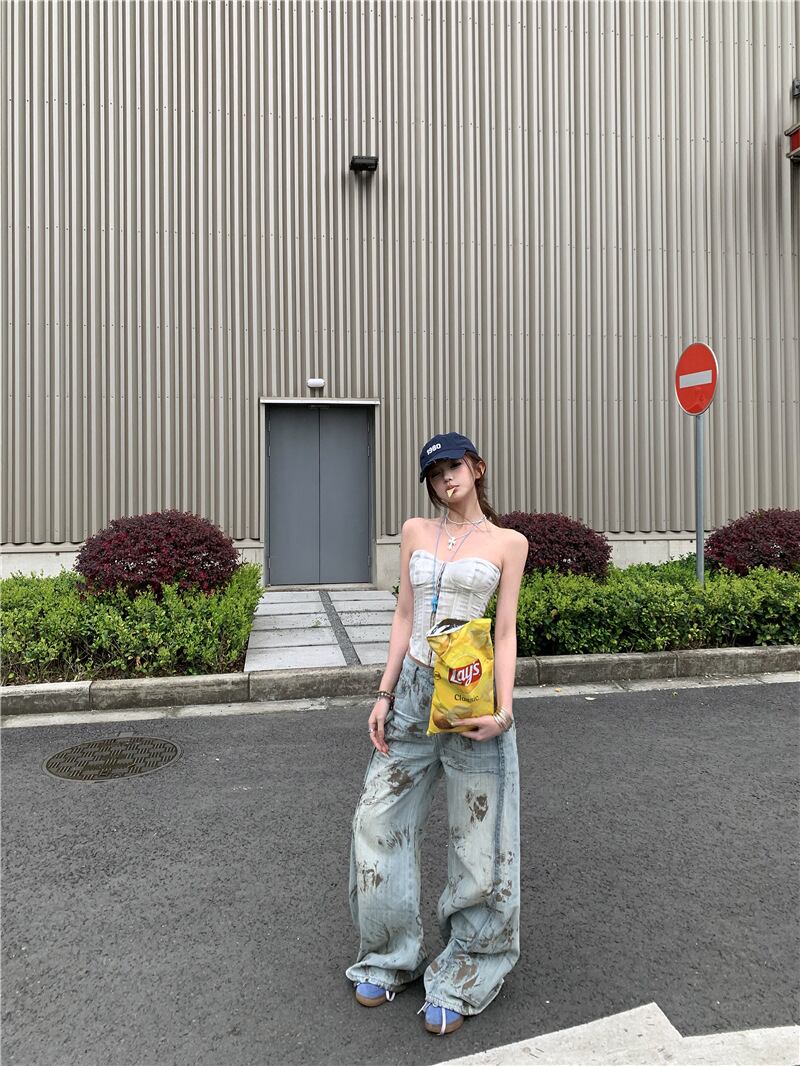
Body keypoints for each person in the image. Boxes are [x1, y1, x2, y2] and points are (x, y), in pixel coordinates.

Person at [346, 431, 529, 1036]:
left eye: (453, 466)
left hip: (471, 697)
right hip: (412, 694)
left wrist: (504, 712)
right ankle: (389, 955)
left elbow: (505, 632)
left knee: (478, 838)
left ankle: (468, 968)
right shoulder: (415, 532)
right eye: (433, 472)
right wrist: (383, 692)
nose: (444, 478)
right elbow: (404, 614)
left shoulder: (508, 543)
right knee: (377, 818)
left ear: (477, 468)